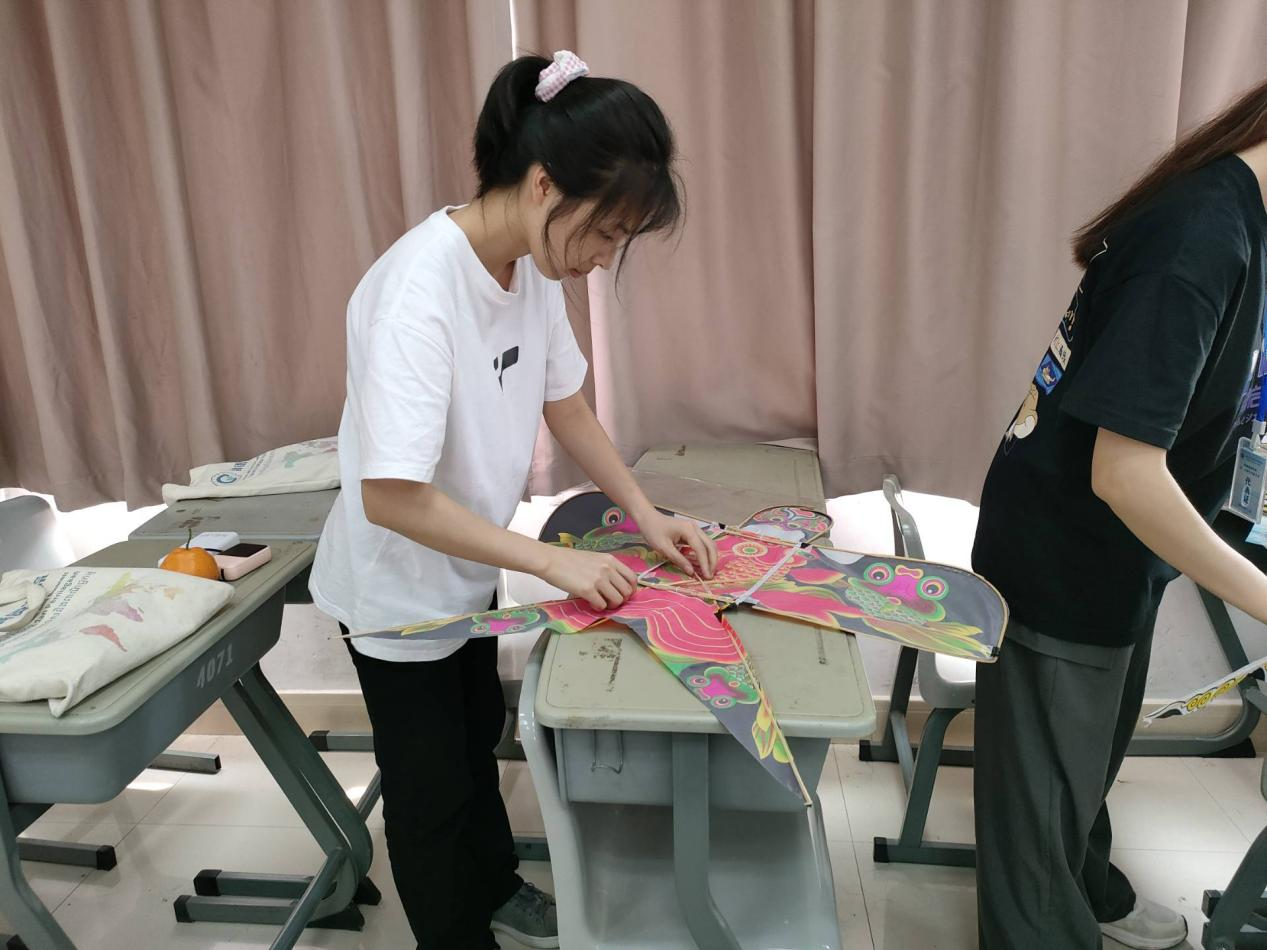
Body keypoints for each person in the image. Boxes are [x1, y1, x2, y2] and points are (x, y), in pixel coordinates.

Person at [309, 50, 718, 950]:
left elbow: (563, 401)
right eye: (605, 232)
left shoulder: (526, 265)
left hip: (463, 564)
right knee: (431, 792)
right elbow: (391, 497)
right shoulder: (418, 295)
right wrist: (549, 562)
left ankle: (493, 887)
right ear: (542, 185)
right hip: (396, 593)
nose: (604, 258)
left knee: (476, 741)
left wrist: (645, 514)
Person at [971, 76, 1267, 949]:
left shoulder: (1236, 212)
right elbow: (1124, 474)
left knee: (1081, 764)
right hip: (1064, 553)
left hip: (1113, 553)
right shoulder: (1199, 238)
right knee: (1039, 816)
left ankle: (1090, 891)